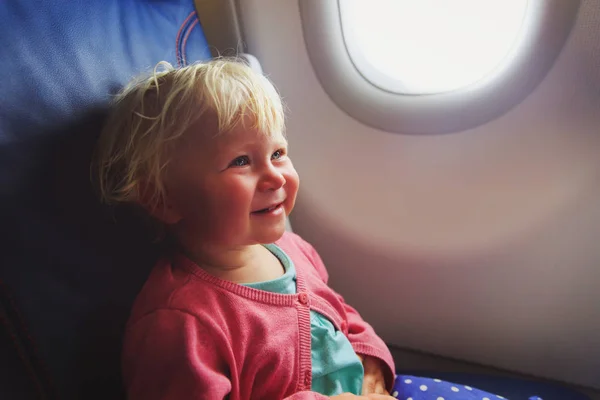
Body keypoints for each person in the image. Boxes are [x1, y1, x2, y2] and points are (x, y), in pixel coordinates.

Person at [92, 58, 509, 400]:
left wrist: (371, 370)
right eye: (241, 161)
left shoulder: (294, 250)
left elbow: (342, 317)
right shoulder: (180, 322)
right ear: (165, 199)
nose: (275, 176)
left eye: (277, 153)